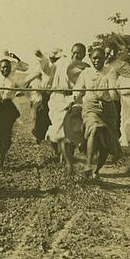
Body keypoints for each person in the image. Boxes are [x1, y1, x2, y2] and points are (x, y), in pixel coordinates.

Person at [74, 46, 122, 180]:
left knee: (107, 143)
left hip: (108, 109)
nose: (96, 61)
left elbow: (113, 93)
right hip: (91, 106)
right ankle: (88, 166)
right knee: (94, 128)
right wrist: (73, 97)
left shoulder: (110, 71)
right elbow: (78, 89)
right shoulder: (86, 73)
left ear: (104, 59)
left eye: (99, 58)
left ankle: (96, 170)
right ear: (90, 59)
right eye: (94, 58)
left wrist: (114, 92)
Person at [0, 56, 34, 168]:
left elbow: (25, 86)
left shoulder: (14, 79)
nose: (5, 70)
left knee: (5, 135)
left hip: (7, 110)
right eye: (3, 68)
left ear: (10, 68)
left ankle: (2, 160)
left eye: (7, 67)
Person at [45, 42, 90, 170]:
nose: (76, 56)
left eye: (79, 54)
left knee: (69, 132)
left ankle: (69, 163)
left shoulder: (84, 68)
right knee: (57, 133)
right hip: (58, 99)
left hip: (74, 100)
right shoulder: (61, 63)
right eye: (74, 53)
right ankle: (62, 155)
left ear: (84, 55)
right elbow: (49, 74)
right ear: (70, 52)